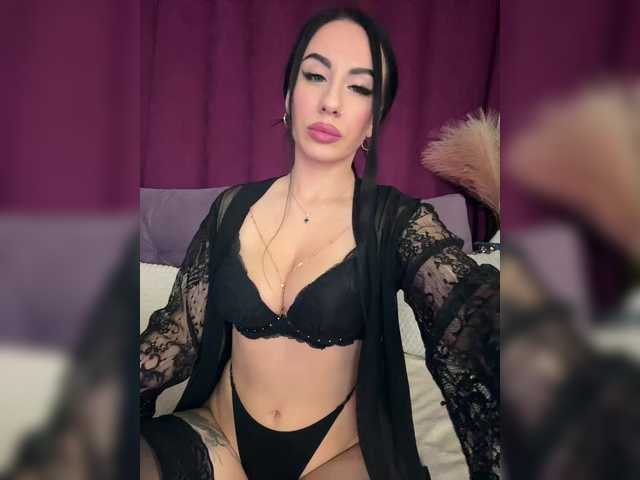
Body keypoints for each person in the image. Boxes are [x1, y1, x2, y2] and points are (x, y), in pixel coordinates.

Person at [140, 7, 500, 480]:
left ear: (373, 121)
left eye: (359, 88)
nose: (331, 102)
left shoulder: (398, 222)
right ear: (289, 96)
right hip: (218, 437)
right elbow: (179, 335)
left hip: (335, 456)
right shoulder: (231, 210)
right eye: (315, 76)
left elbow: (471, 320)